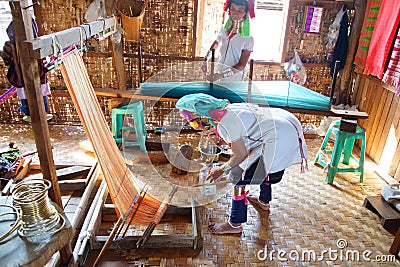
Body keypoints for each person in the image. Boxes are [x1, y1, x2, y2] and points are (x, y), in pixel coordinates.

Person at [176, 93, 308, 234]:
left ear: (202, 116)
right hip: (284, 127)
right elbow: (248, 139)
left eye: (194, 121)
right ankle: (264, 201)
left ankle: (235, 223)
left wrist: (221, 170)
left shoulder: (225, 123)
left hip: (279, 138)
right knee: (258, 162)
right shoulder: (229, 108)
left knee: (237, 175)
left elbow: (240, 154)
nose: (196, 126)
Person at [1, 18, 52, 122]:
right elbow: (45, 55)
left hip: (19, 75)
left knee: (24, 94)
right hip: (37, 74)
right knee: (41, 93)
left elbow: (6, 59)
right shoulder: (37, 43)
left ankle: (28, 113)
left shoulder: (9, 45)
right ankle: (44, 112)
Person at [202, 0, 255, 82]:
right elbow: (217, 43)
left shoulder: (248, 38)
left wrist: (222, 75)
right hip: (219, 71)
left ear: (245, 13)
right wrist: (205, 60)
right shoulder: (224, 29)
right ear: (229, 9)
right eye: (233, 9)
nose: (235, 13)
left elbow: (241, 65)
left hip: (235, 78)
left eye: (240, 11)